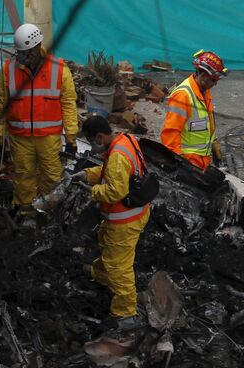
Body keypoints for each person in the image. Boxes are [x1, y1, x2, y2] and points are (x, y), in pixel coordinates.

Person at [0, 23, 78, 219]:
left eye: (27, 53)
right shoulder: (9, 70)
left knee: (52, 177)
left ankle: (50, 215)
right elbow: (1, 104)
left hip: (48, 137)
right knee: (23, 177)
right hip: (19, 137)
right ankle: (26, 214)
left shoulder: (59, 69)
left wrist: (71, 138)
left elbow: (68, 104)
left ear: (38, 47)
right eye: (20, 53)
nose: (23, 58)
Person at [71, 116, 150, 330]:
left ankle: (126, 313)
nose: (93, 145)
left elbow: (115, 191)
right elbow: (111, 174)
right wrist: (87, 175)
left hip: (124, 220)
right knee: (107, 245)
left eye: (91, 140)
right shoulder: (125, 140)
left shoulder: (117, 156)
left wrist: (92, 190)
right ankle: (101, 274)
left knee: (120, 266)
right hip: (134, 213)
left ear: (99, 136)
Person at [160, 50, 227, 171]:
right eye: (213, 80)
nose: (215, 84)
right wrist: (180, 163)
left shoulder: (204, 91)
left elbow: (205, 122)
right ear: (203, 76)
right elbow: (171, 134)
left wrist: (213, 142)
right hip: (188, 164)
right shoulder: (183, 95)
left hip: (201, 163)